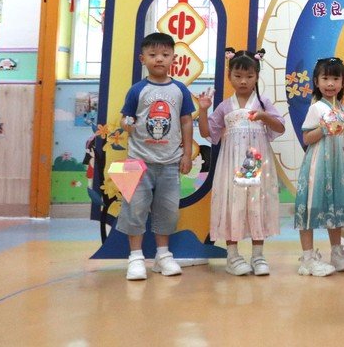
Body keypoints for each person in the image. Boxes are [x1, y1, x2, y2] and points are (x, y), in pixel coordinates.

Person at [196, 48, 284, 276]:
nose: (243, 81)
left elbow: (280, 127)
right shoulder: (225, 106)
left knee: (257, 203)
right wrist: (203, 110)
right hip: (231, 164)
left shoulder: (263, 103)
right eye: (238, 76)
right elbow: (208, 133)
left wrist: (264, 117)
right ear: (229, 76)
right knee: (232, 203)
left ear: (256, 76)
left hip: (256, 162)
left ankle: (258, 255)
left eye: (249, 76)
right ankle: (233, 256)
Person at [116, 32, 195, 281]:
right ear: (143, 59)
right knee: (134, 209)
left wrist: (187, 154)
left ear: (173, 58)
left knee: (168, 210)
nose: (159, 59)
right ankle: (135, 258)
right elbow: (125, 119)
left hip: (170, 162)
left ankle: (163, 255)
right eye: (152, 55)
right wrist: (126, 123)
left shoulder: (180, 90)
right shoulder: (137, 90)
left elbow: (186, 122)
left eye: (165, 54)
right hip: (137, 161)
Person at [294, 57, 344, 277]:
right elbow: (307, 138)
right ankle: (308, 259)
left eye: (336, 78)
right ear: (316, 81)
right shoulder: (316, 108)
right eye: (325, 78)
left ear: (343, 82)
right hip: (318, 166)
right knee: (311, 206)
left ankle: (337, 252)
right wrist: (324, 129)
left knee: (336, 208)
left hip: (340, 167)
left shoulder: (343, 108)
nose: (330, 83)